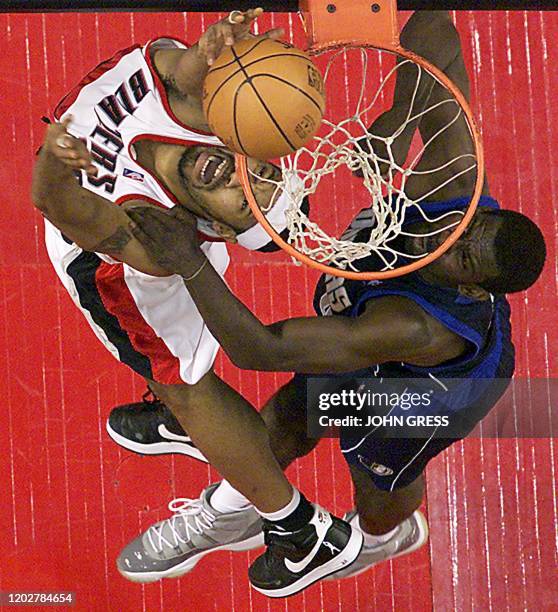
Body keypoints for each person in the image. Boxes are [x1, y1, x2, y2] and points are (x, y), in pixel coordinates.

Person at [112, 10, 546, 582]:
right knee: (298, 409)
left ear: (468, 283)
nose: (446, 235)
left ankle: (382, 539)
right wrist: (396, 118)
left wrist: (190, 260)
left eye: (460, 253)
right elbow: (434, 29)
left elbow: (261, 349)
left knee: (373, 475)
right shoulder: (455, 187)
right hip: (369, 336)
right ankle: (229, 514)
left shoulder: (414, 326)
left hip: (425, 396)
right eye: (466, 228)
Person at [32, 9, 363, 598]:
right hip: (169, 229)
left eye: (245, 203)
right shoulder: (227, 118)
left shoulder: (145, 236)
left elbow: (59, 208)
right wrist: (208, 51)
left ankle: (301, 533)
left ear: (212, 228)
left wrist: (55, 163)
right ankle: (184, 423)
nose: (240, 178)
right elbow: (182, 79)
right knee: (182, 378)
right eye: (259, 170)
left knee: (184, 382)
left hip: (108, 260)